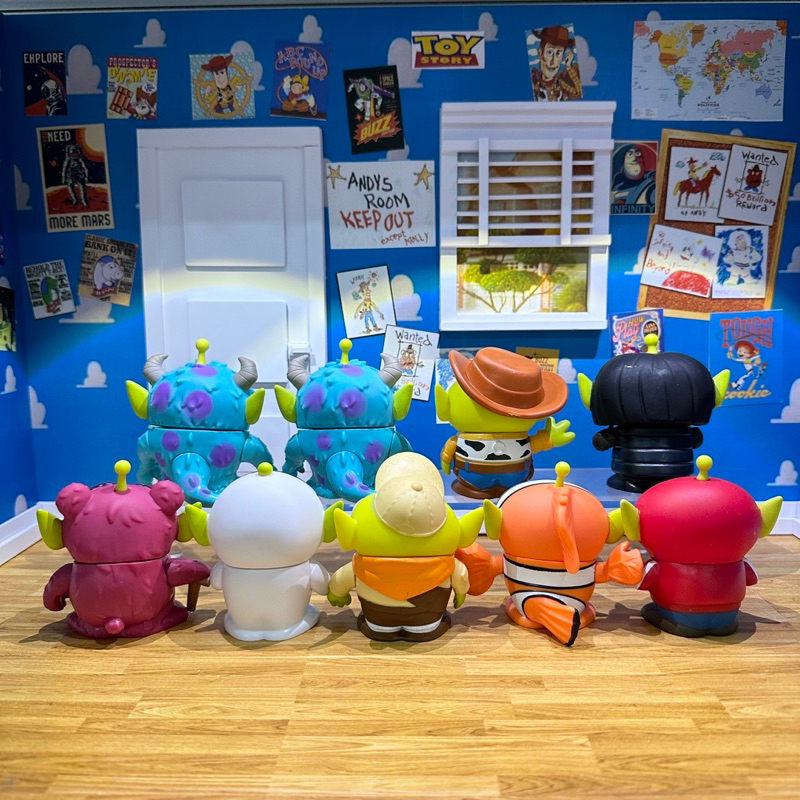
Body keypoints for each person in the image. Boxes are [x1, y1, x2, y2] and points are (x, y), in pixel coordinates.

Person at [530, 25, 582, 101]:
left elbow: (578, 92)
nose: (553, 61)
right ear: (540, 53)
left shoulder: (561, 84)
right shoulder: (533, 81)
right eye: (549, 52)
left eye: (558, 53)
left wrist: (569, 67)